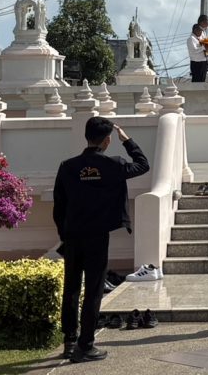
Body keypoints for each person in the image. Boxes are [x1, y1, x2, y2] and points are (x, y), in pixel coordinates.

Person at [53, 117, 149, 362]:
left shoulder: (68, 166)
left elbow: (59, 206)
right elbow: (142, 165)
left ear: (86, 136)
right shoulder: (113, 165)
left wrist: (64, 234)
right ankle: (85, 345)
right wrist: (127, 141)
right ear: (107, 140)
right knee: (94, 290)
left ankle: (70, 341)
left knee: (72, 288)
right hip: (97, 236)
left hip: (73, 236)